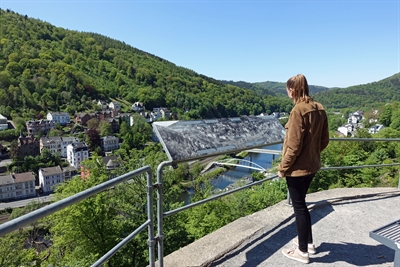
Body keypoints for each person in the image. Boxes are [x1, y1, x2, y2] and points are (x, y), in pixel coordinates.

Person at [278, 74, 329, 264]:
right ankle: (308, 244)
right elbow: (324, 140)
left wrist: (283, 168)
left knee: (299, 207)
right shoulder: (319, 108)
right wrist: (312, 155)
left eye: (288, 90)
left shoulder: (298, 111)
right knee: (303, 205)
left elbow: (293, 146)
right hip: (312, 166)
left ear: (292, 90)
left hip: (297, 170)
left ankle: (302, 253)